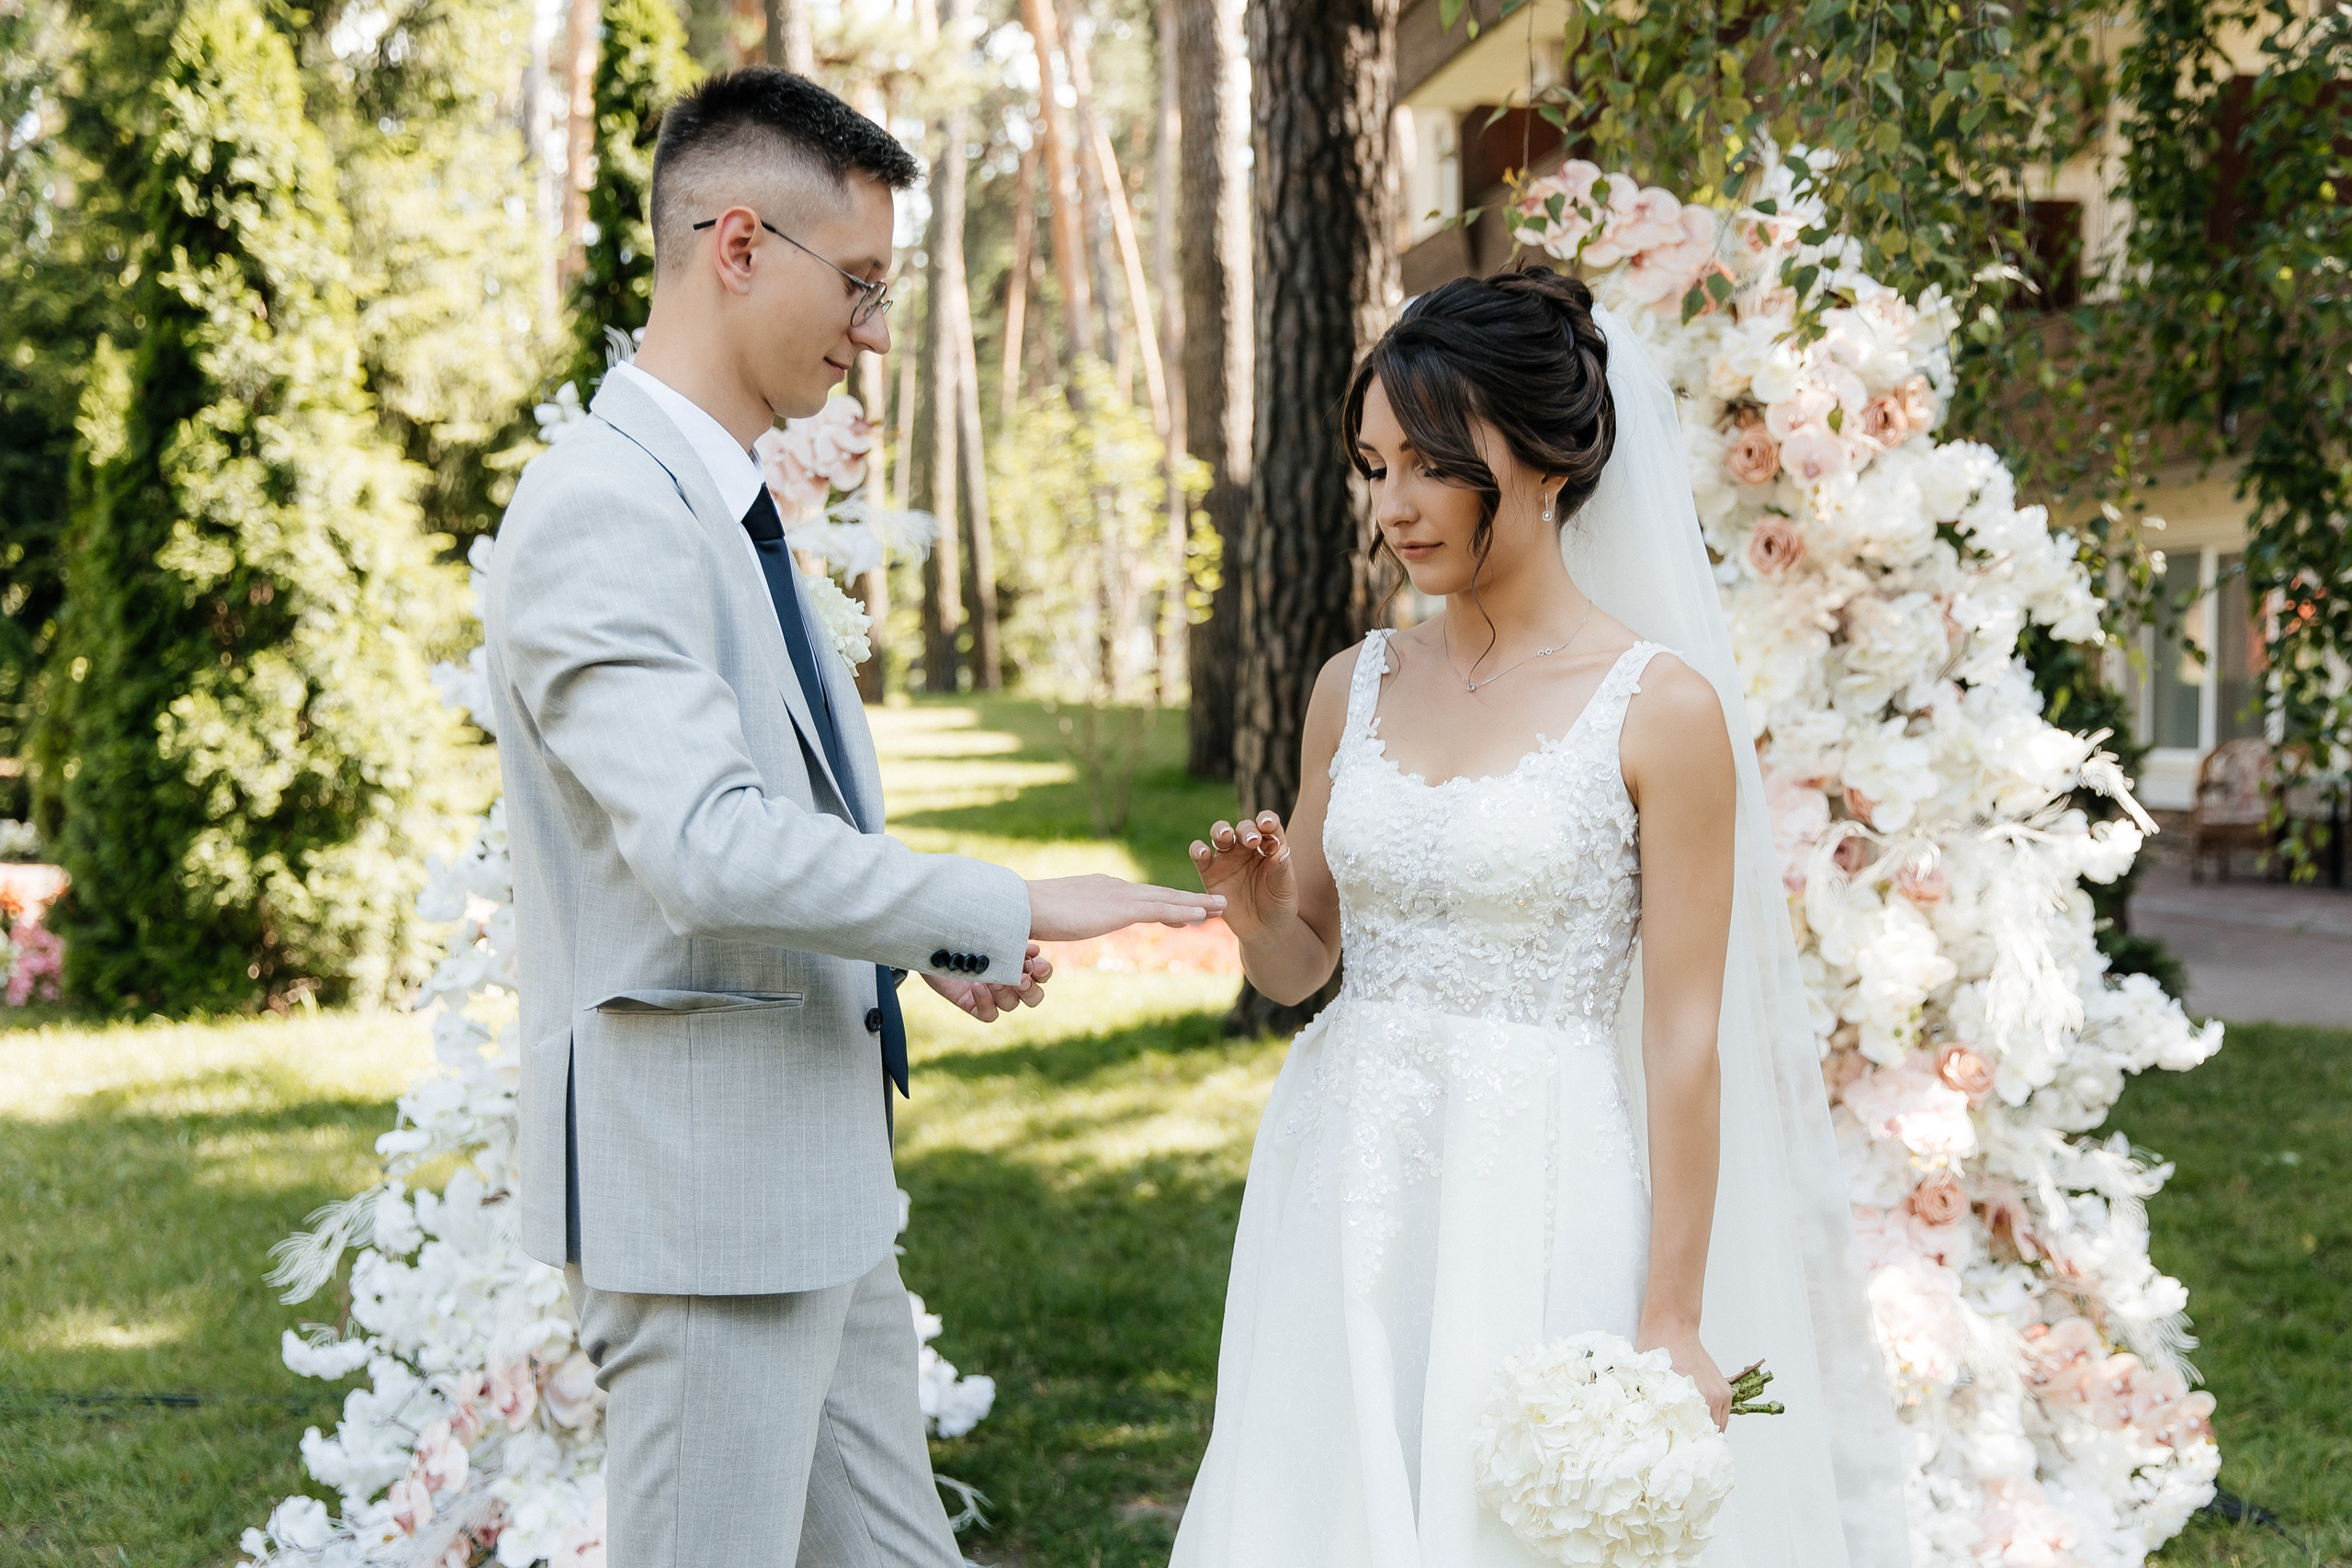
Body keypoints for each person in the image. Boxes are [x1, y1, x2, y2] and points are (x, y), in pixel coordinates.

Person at [482, 68, 1224, 1568]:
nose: (878, 334)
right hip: (703, 1210)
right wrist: (1001, 902)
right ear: (737, 245)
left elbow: (775, 811)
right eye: (863, 284)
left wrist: (903, 955)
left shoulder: (733, 503)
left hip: (812, 1183)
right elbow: (703, 846)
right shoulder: (604, 510)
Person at [1170, 268, 1909, 1566]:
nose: (1395, 504)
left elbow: (1685, 1041)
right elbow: (1306, 968)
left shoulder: (1659, 709)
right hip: (1345, 1164)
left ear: (1552, 461)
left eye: (1433, 463)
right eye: (1375, 464)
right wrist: (1261, 915)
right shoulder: (1356, 683)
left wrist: (1671, 1313)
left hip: (1541, 1173)